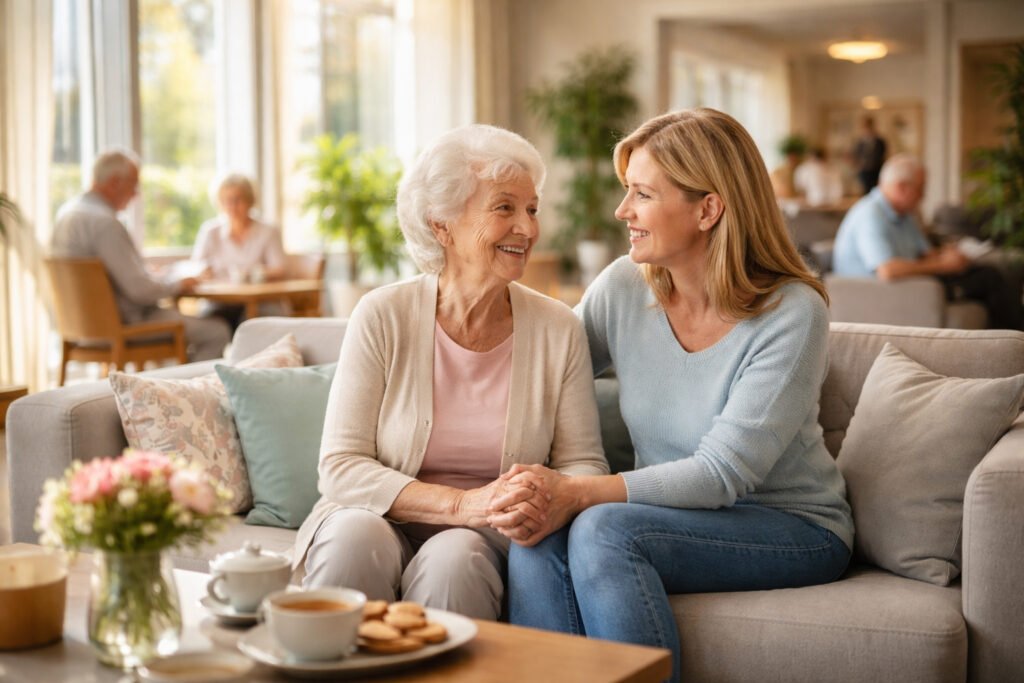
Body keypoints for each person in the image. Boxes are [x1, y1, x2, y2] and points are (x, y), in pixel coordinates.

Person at [496, 108, 855, 683]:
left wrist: (578, 492)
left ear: (708, 208)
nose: (622, 212)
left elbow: (720, 474)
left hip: (791, 525)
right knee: (539, 529)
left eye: (642, 194)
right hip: (666, 515)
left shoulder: (793, 313)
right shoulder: (621, 288)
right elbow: (544, 380)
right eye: (626, 192)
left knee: (601, 526)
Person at [291, 124, 609, 620]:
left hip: (484, 538)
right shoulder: (382, 314)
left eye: (532, 209)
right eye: (505, 208)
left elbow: (585, 465)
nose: (527, 228)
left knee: (453, 560)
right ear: (442, 226)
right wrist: (462, 504)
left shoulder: (558, 328)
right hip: (375, 515)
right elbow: (341, 466)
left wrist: (544, 494)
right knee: (355, 538)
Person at [51, 149, 231, 362]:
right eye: (133, 184)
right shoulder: (104, 223)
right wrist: (177, 284)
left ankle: (165, 385)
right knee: (217, 332)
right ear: (115, 182)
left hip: (78, 328)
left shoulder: (66, 213)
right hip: (124, 325)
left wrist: (148, 274)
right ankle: (180, 392)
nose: (136, 193)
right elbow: (139, 291)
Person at [832, 154, 1022, 329]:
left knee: (987, 272)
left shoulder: (904, 214)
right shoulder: (870, 214)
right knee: (989, 281)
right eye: (920, 189)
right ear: (901, 187)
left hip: (915, 281)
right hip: (889, 292)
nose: (923, 196)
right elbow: (888, 270)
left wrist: (947, 255)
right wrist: (942, 265)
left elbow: (926, 253)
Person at [191, 172, 287, 329]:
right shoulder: (210, 231)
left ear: (250, 201)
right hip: (220, 302)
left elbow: (280, 269)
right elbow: (196, 268)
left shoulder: (268, 231)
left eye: (237, 199)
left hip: (261, 301)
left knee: (250, 324)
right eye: (226, 200)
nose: (232, 206)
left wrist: (252, 273)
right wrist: (203, 273)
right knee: (208, 327)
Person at [850, 115, 887, 194]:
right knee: (865, 192)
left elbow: (883, 155)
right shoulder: (860, 143)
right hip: (864, 172)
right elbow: (856, 156)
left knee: (877, 192)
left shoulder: (880, 141)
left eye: (867, 126)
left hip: (876, 171)